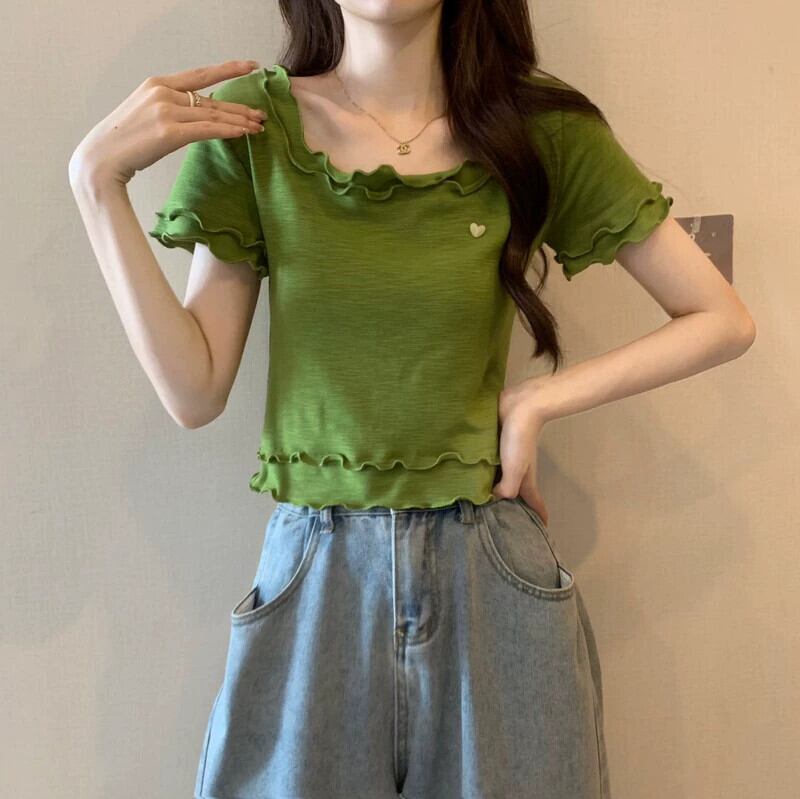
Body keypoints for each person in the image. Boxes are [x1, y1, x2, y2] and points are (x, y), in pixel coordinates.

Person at [68, 1, 755, 797]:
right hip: (316, 579)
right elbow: (194, 391)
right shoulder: (250, 126)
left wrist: (538, 400)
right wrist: (96, 183)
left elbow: (722, 319)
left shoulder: (537, 130)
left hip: (490, 572)